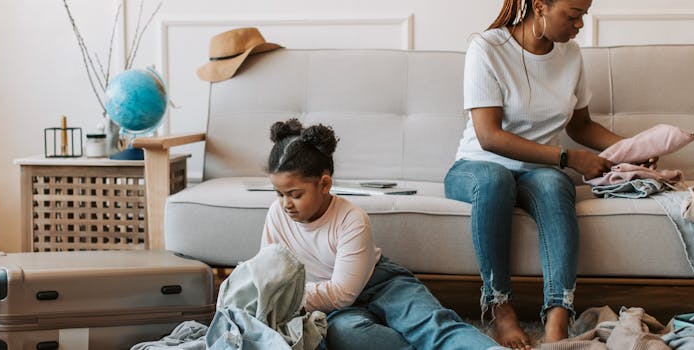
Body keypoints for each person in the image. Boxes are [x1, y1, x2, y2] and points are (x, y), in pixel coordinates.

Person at [444, 0, 655, 348]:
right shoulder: (487, 48)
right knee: (497, 181)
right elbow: (489, 136)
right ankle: (501, 310)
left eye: (584, 15)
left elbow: (581, 125)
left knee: (555, 184)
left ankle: (558, 319)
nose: (580, 25)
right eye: (573, 15)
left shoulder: (570, 55)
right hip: (477, 167)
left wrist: (635, 149)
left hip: (539, 171)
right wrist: (567, 157)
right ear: (540, 6)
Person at [262, 118, 505, 350]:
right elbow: (269, 271)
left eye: (295, 195)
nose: (286, 204)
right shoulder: (277, 214)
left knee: (430, 325)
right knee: (345, 334)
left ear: (325, 185)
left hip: (381, 283)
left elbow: (341, 293)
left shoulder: (351, 218)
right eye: (279, 194)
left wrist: (290, 296)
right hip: (334, 307)